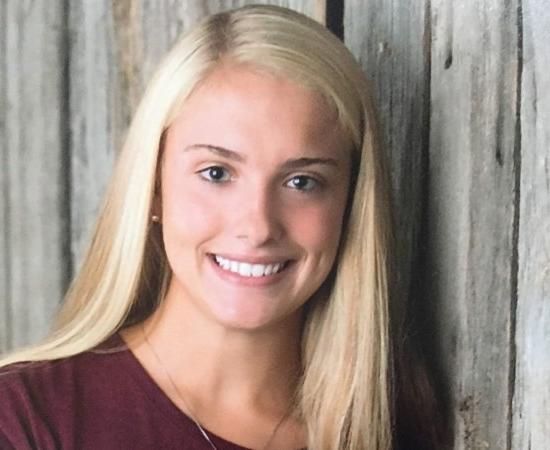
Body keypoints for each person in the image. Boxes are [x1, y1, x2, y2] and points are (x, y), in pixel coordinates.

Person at [0, 5, 442, 449]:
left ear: (350, 204)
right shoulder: (25, 420)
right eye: (216, 172)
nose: (257, 226)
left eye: (302, 181)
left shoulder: (394, 426)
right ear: (154, 189)